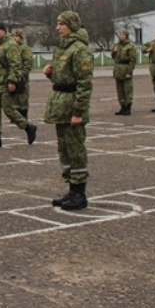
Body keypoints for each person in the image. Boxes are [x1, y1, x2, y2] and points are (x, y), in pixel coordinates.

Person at [43, 11, 94, 210]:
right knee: (64, 149)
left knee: (75, 149)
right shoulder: (62, 48)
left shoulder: (80, 50)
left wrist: (78, 112)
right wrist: (51, 74)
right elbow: (62, 78)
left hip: (72, 104)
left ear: (71, 25)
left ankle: (80, 193)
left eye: (61, 24)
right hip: (60, 105)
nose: (58, 28)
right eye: (57, 24)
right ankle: (71, 189)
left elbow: (84, 83)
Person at [0, 22, 37, 148]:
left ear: (5, 31)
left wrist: (12, 81)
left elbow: (15, 64)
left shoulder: (10, 45)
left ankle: (28, 127)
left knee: (9, 110)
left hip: (5, 82)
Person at [111, 29, 137, 115]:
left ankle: (128, 107)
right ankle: (122, 106)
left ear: (126, 36)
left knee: (127, 89)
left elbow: (133, 60)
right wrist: (113, 52)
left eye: (123, 35)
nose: (121, 36)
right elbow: (114, 57)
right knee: (120, 90)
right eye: (120, 35)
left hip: (126, 68)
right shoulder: (117, 45)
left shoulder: (130, 46)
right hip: (118, 69)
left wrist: (129, 72)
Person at [11, 29, 34, 120]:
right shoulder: (12, 48)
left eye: (16, 36)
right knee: (14, 97)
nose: (14, 38)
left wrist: (22, 74)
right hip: (13, 76)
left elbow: (28, 63)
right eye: (13, 36)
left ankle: (24, 116)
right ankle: (15, 117)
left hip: (22, 78)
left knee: (22, 97)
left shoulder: (25, 49)